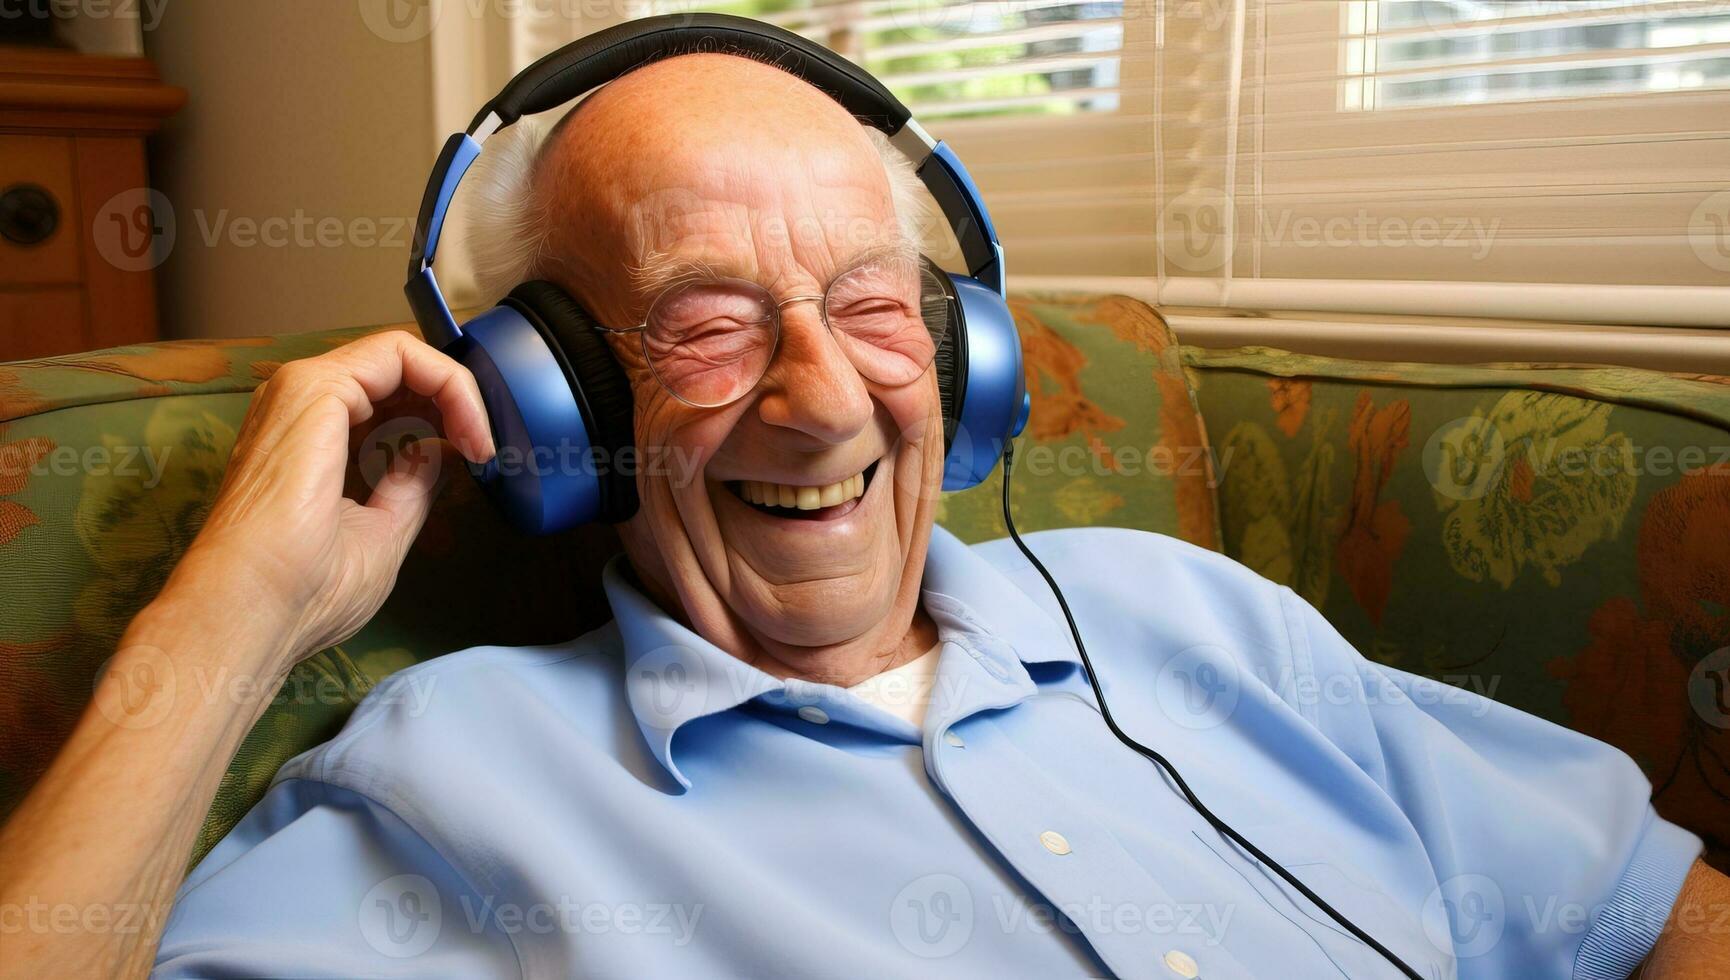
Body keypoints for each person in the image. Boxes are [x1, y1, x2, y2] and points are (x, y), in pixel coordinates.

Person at [2, 50, 1726, 980]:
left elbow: (1655, 911)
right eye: (703, 322)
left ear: (962, 356)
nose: (822, 397)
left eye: (874, 303)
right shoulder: (455, 785)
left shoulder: (1189, 610)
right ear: (560, 410)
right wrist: (228, 618)